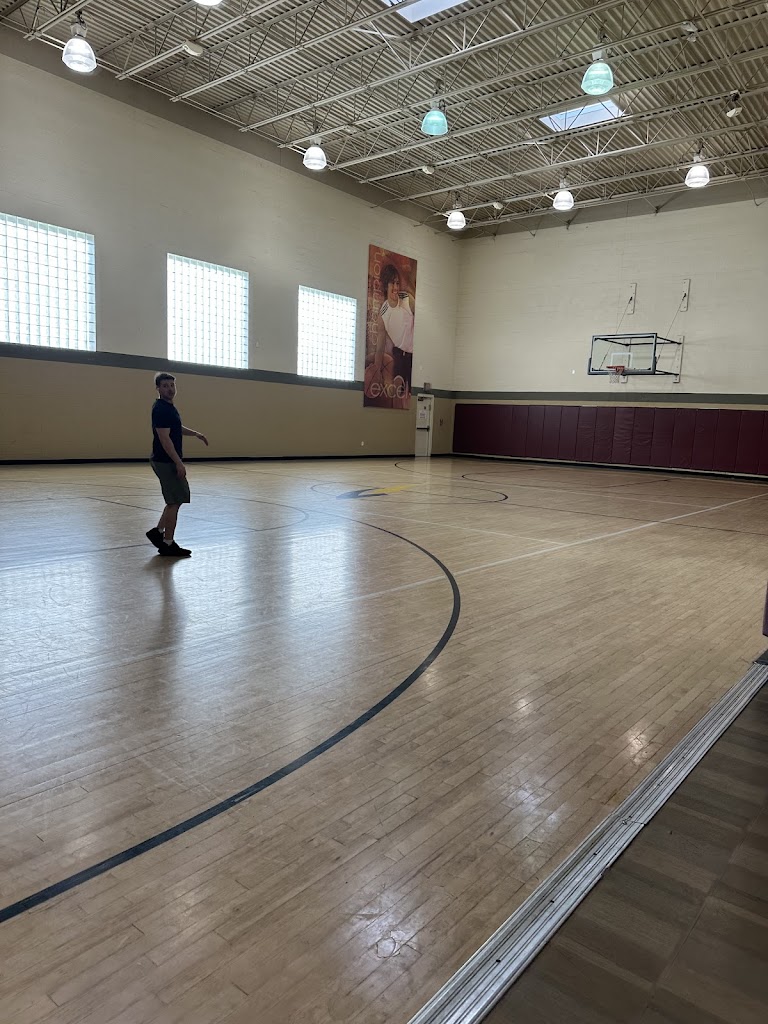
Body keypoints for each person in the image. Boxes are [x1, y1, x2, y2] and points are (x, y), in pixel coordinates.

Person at [146, 372, 208, 557]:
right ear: (158, 388)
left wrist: (195, 433)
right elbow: (165, 439)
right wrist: (178, 463)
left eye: (172, 385)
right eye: (165, 386)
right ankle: (168, 544)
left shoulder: (168, 407)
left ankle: (157, 532)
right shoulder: (161, 409)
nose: (170, 389)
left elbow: (175, 428)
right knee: (174, 502)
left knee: (175, 499)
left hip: (165, 460)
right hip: (166, 461)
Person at [367, 263, 415, 406]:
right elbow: (380, 348)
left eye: (397, 283)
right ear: (385, 286)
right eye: (392, 283)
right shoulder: (383, 314)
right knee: (398, 393)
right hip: (400, 355)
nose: (395, 287)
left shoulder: (407, 300)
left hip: (414, 356)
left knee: (411, 395)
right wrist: (377, 369)